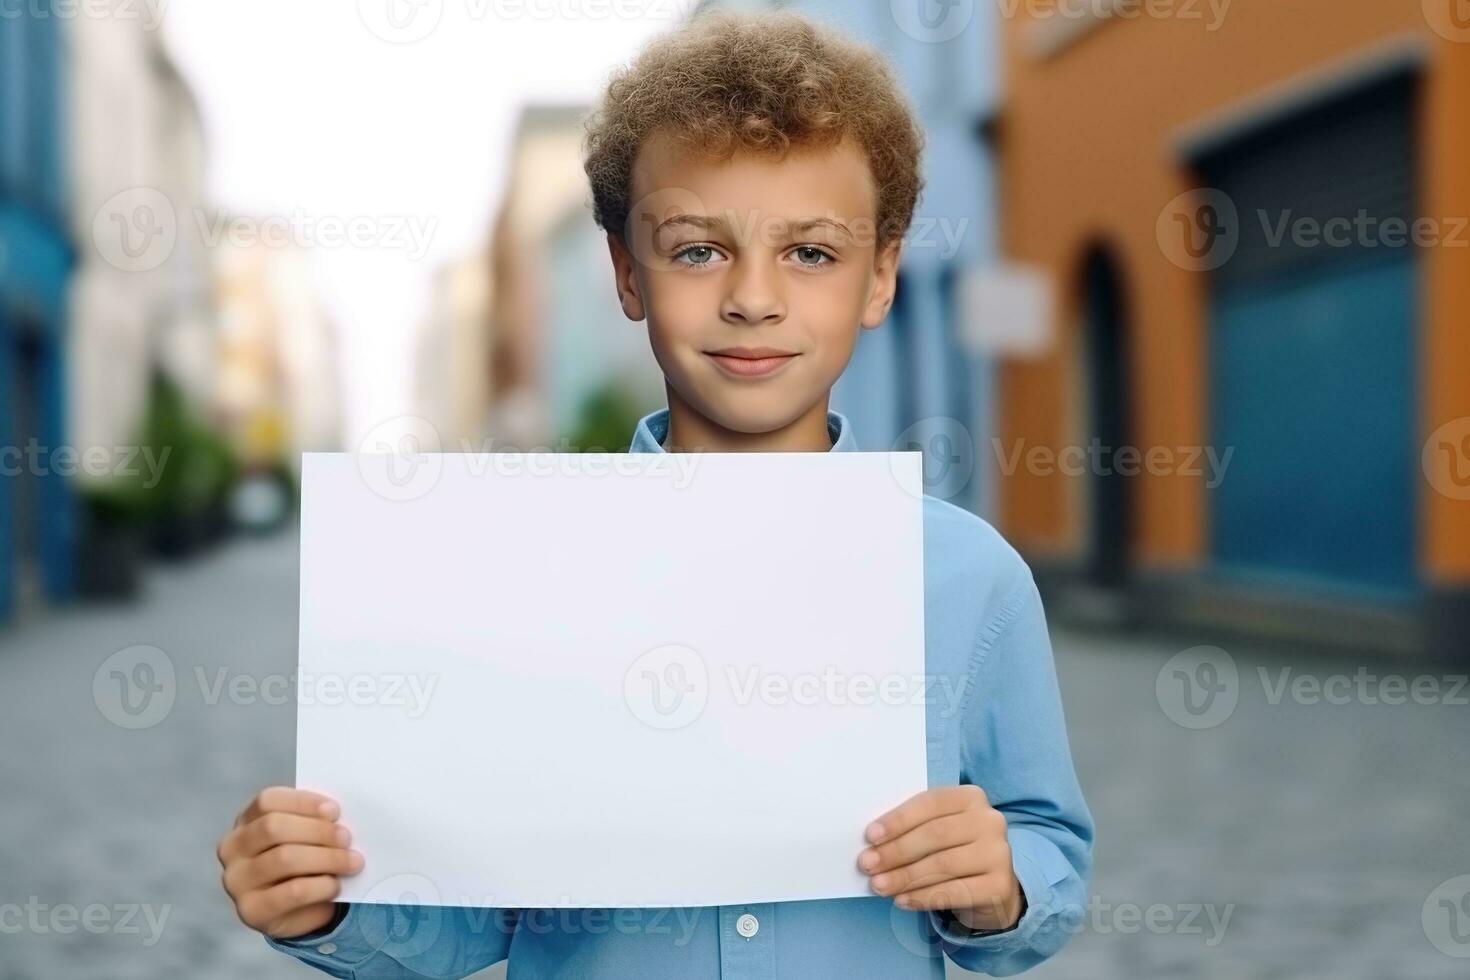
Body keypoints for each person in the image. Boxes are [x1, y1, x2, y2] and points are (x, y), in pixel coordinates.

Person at [218, 10, 1093, 977]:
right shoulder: (520, 578)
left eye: (811, 252)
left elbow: (1049, 845)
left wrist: (1002, 880)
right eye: (696, 250)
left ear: (880, 276)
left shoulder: (972, 581)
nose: (753, 298)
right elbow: (467, 918)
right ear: (628, 274)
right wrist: (323, 906)